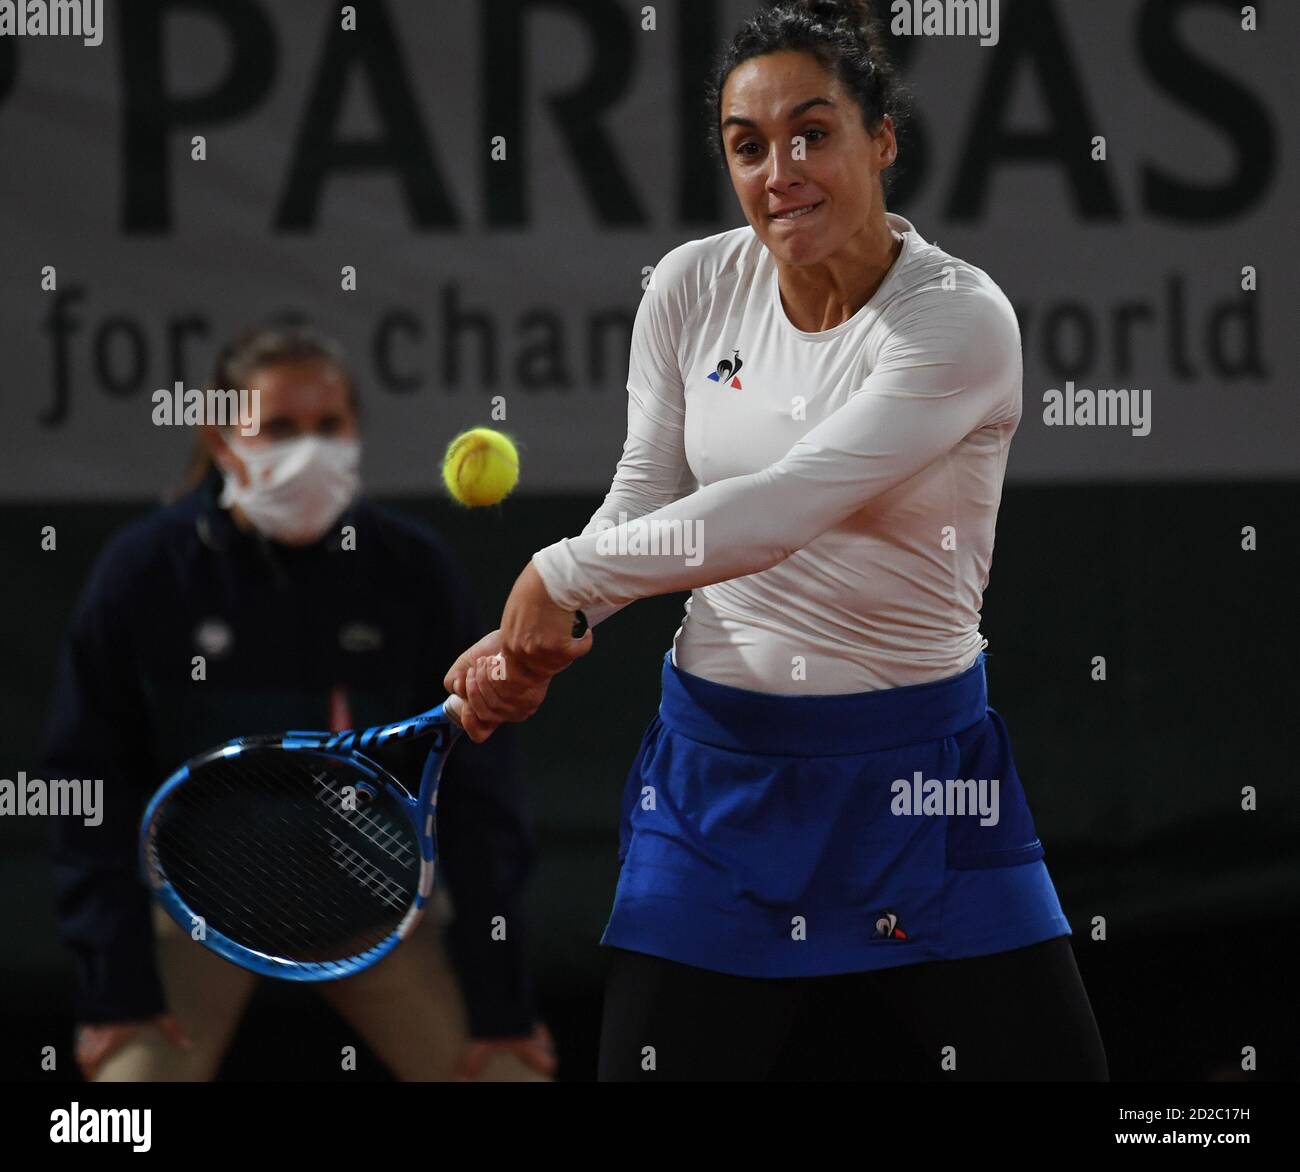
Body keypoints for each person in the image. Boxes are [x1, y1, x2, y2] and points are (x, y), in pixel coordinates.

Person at [444, 0, 1108, 1081]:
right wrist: (554, 626)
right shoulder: (690, 284)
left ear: (881, 140)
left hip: (924, 789)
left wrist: (562, 573)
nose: (779, 169)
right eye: (747, 145)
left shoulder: (959, 320)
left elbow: (785, 503)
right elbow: (645, 492)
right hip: (715, 790)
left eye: (813, 132)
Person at [46, 320, 555, 1082]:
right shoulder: (143, 572)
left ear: (356, 434)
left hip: (375, 908)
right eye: (279, 427)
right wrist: (112, 990)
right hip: (195, 913)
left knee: (508, 1078)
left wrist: (502, 1001)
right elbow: (84, 780)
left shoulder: (411, 569)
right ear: (221, 441)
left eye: (329, 426)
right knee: (113, 1119)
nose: (309, 448)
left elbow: (481, 791)